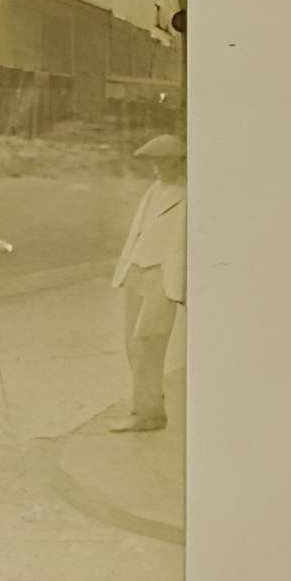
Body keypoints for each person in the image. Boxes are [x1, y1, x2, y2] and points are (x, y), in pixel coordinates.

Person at [110, 133, 186, 433]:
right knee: (132, 342)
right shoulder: (155, 190)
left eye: (162, 161)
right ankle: (146, 407)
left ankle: (149, 414)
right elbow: (137, 231)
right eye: (153, 161)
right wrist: (127, 267)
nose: (156, 167)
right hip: (137, 269)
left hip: (163, 274)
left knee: (148, 341)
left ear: (178, 162)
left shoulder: (192, 194)